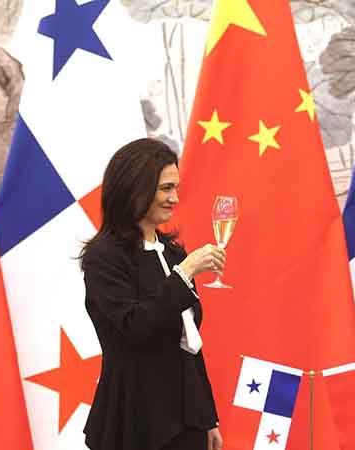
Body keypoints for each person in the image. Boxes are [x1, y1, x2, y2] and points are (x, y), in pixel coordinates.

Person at [79, 138, 225, 450]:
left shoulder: (173, 254)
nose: (175, 198)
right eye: (165, 188)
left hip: (187, 417)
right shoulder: (104, 257)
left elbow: (189, 342)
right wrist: (185, 273)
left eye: (176, 188)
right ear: (135, 188)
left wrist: (208, 417)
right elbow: (135, 326)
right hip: (136, 418)